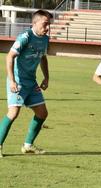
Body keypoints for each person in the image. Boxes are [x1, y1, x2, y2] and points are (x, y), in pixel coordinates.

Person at [0, 10, 53, 157]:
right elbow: (9, 57)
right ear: (34, 23)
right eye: (45, 24)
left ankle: (28, 145)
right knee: (13, 113)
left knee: (42, 113)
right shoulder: (25, 37)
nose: (47, 27)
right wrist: (12, 80)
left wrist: (46, 78)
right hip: (18, 81)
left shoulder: (45, 39)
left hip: (31, 82)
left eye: (49, 24)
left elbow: (43, 58)